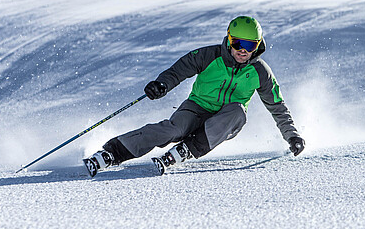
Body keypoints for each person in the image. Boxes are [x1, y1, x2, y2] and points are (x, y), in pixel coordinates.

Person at [83, 16, 305, 177]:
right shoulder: (209, 55)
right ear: (229, 40)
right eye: (237, 43)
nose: (242, 50)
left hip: (225, 120)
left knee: (238, 110)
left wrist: (292, 136)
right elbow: (179, 70)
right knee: (172, 130)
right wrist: (162, 84)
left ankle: (188, 149)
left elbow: (277, 106)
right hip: (196, 107)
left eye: (249, 45)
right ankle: (113, 153)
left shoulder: (260, 72)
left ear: (257, 46)